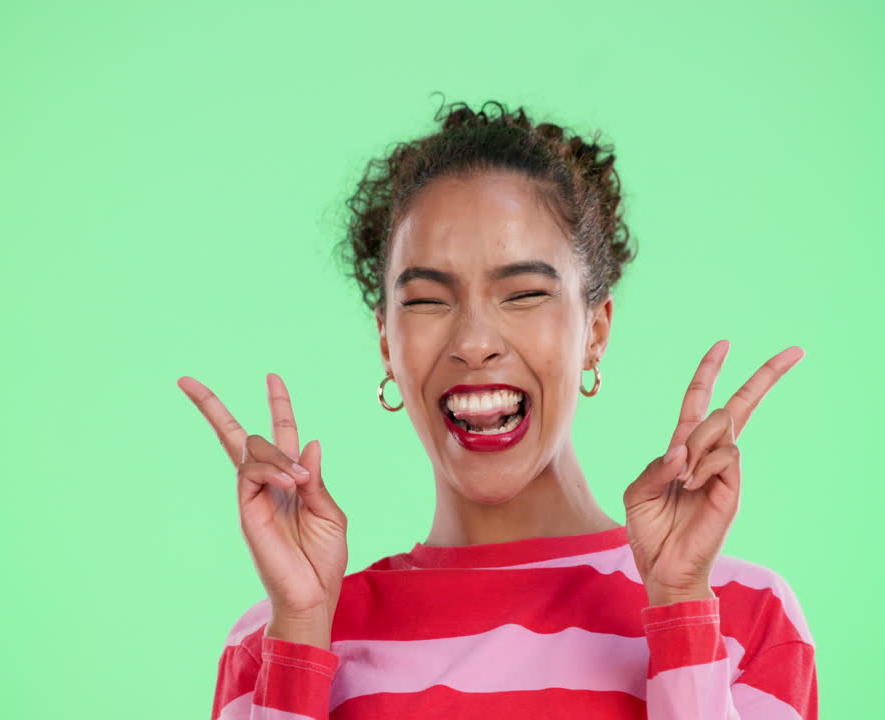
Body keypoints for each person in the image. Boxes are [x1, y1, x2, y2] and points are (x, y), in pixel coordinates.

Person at [178, 100, 817, 719]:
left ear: (595, 330)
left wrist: (679, 607)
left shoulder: (743, 614)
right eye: (427, 300)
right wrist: (299, 633)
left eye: (524, 293)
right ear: (387, 343)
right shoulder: (279, 637)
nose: (474, 342)